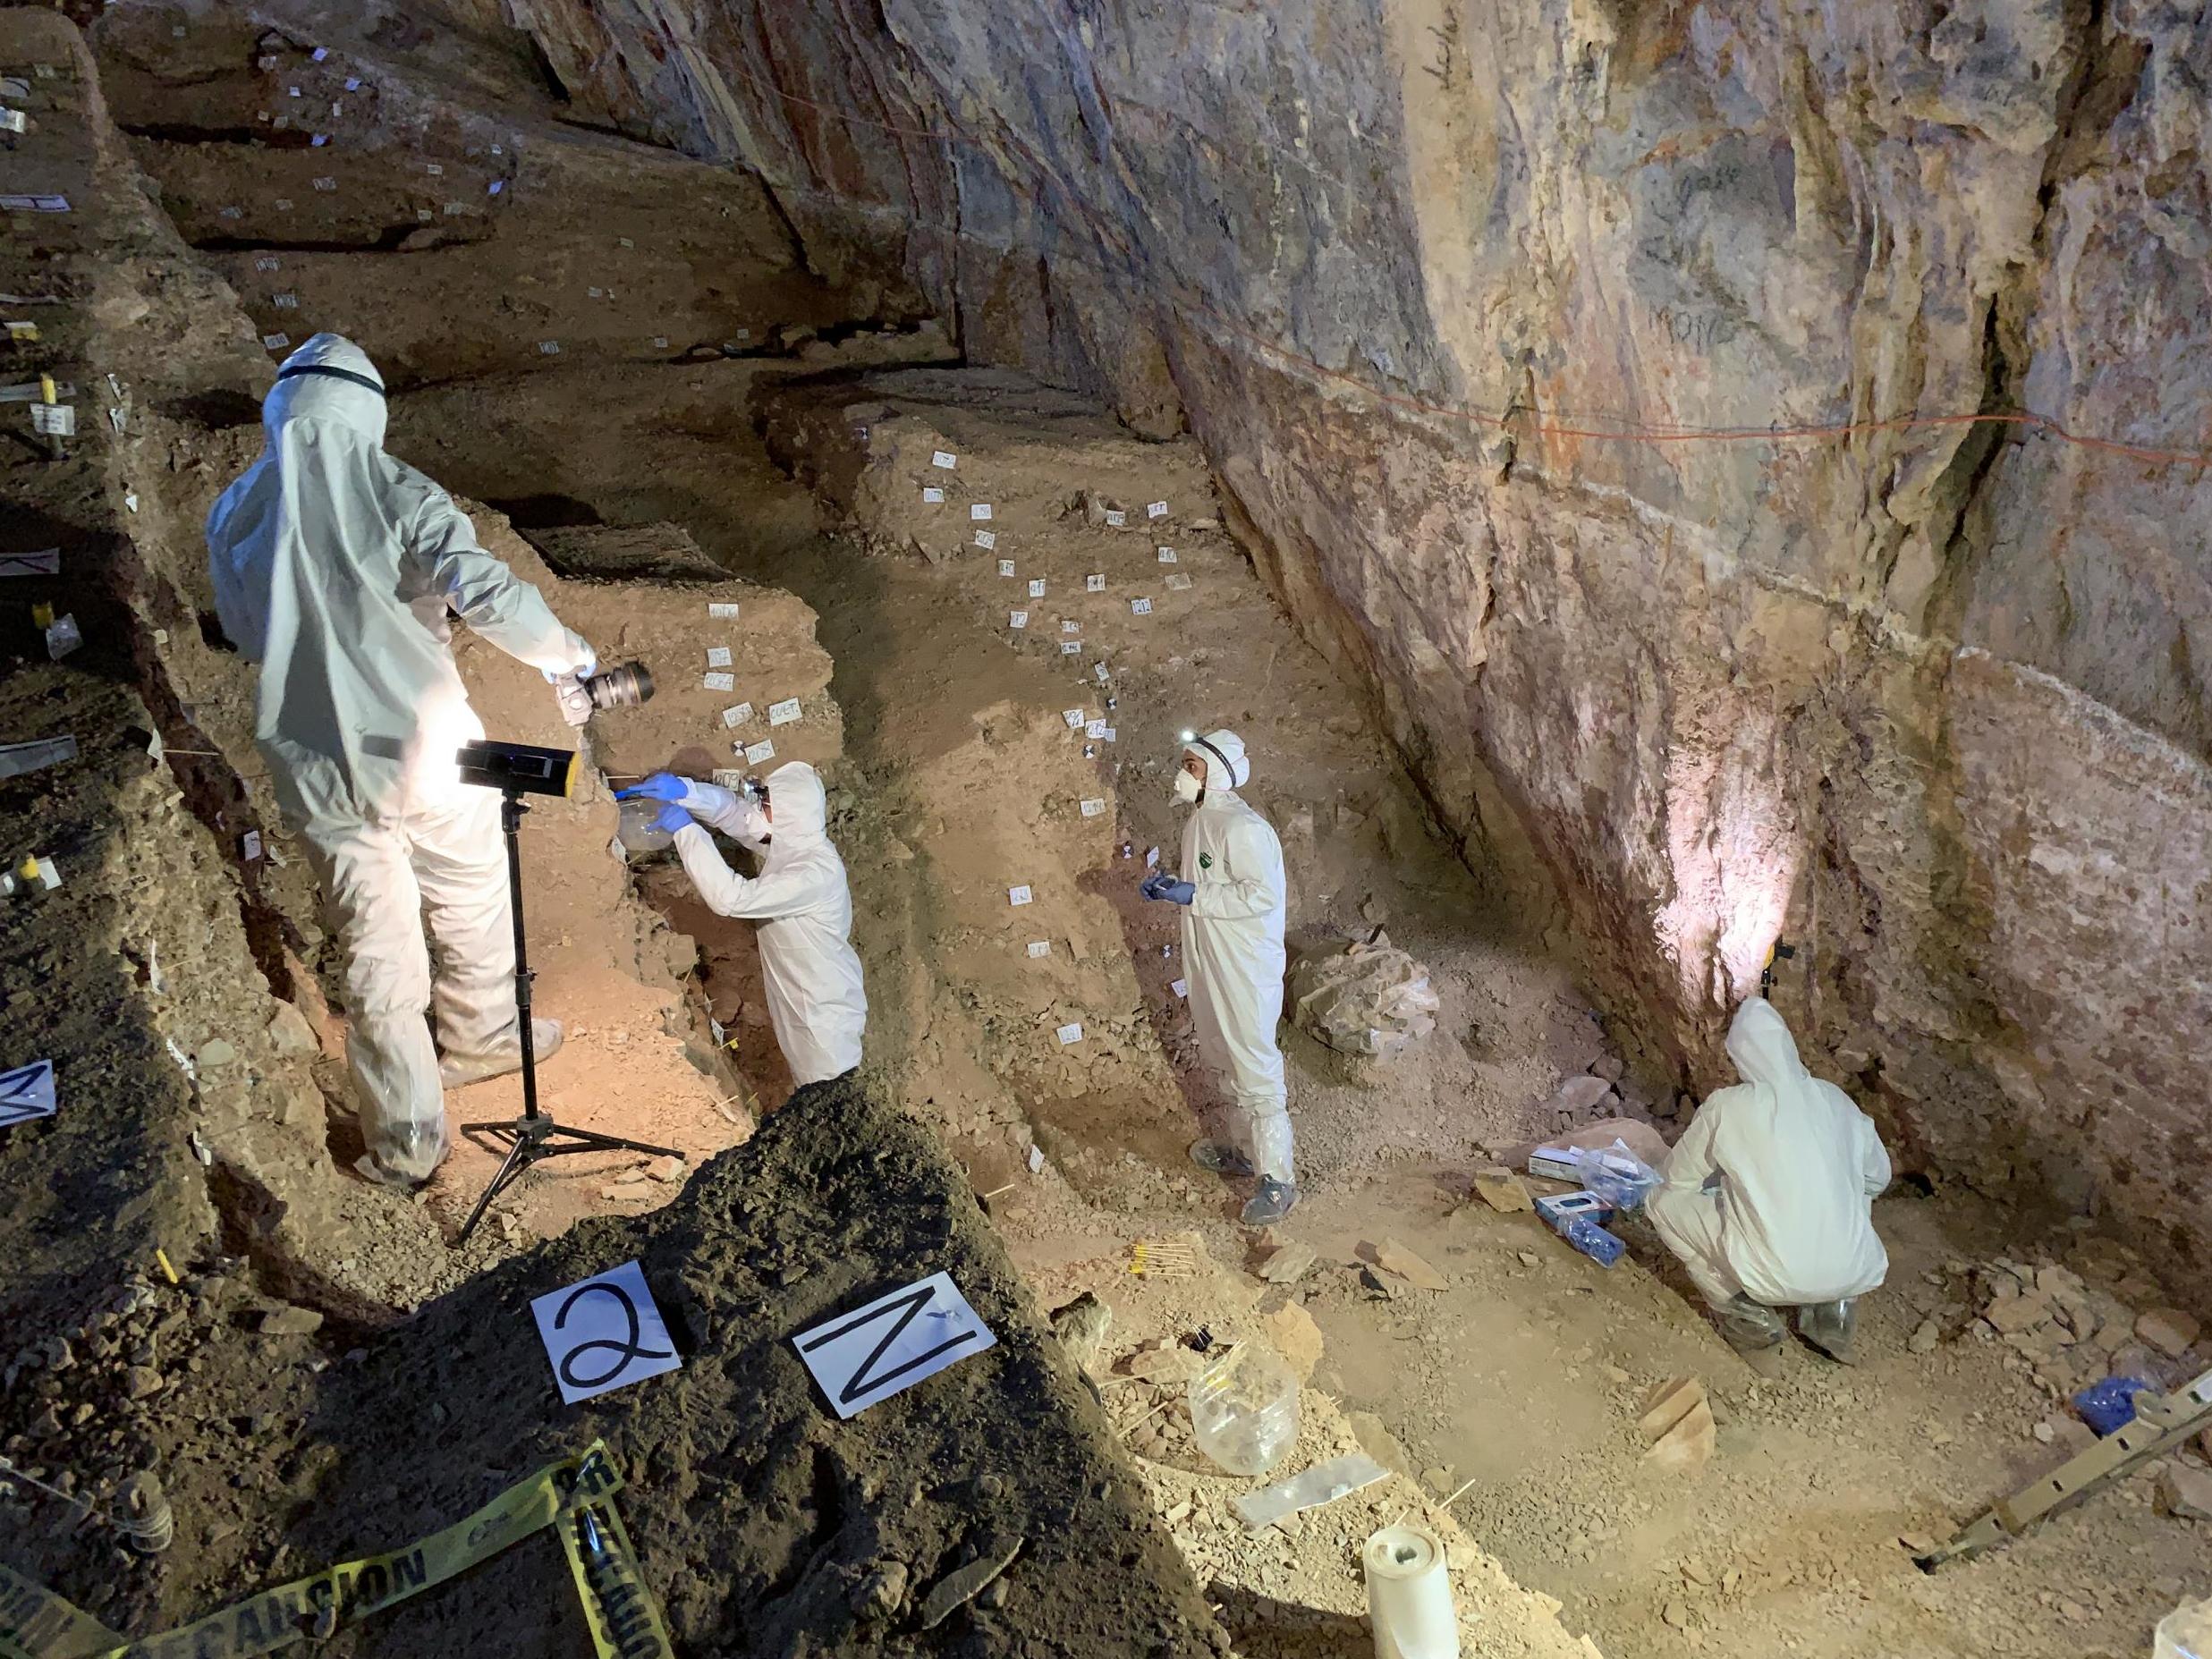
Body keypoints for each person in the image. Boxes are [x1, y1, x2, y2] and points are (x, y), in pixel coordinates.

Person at [206, 334, 598, 1189]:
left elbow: (240, 631)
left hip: (315, 760)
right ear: (365, 415)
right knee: (472, 884)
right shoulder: (399, 492)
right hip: (428, 749)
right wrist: (566, 653)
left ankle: (410, 1138)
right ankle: (486, 1034)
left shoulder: (236, 509)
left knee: (374, 945)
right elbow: (488, 594)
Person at [1647, 995, 1892, 1372]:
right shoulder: (1835, 1100)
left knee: (1661, 1203)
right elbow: (1879, 1176)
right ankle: (1834, 1316)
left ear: (1739, 1057)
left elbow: (1677, 1179)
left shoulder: (1727, 1106)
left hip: (1768, 1276)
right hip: (1855, 1269)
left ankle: (1747, 1319)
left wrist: (1732, 1186)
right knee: (1856, 1187)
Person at [617, 762, 866, 1086]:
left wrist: (686, 831)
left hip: (822, 1011)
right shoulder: (792, 842)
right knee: (805, 1080)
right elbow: (736, 816)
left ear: (790, 814)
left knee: (827, 1091)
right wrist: (686, 790)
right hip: (797, 993)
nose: (756, 807)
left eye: (765, 803)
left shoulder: (813, 872)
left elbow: (731, 899)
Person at [1142, 729, 1295, 1224]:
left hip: (1245, 964)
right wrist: (1173, 886)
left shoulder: (1244, 828)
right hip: (1209, 956)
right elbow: (1206, 882)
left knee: (1252, 1060)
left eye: (1193, 766)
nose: (1183, 774)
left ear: (1218, 773)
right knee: (1219, 1052)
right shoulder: (1198, 823)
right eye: (1184, 764)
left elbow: (1261, 897)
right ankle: (1243, 1151)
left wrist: (1194, 896)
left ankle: (1278, 1180)